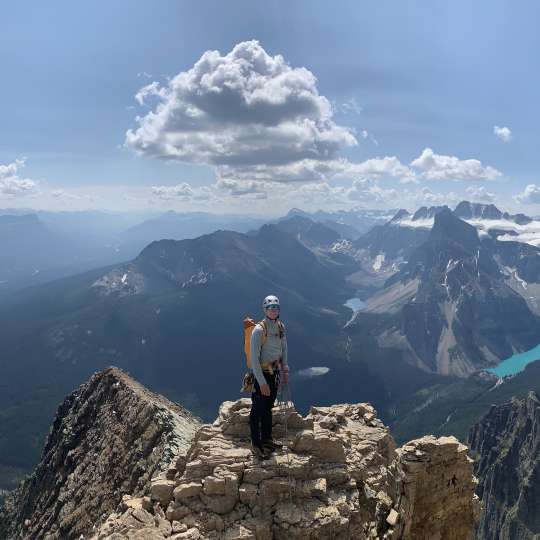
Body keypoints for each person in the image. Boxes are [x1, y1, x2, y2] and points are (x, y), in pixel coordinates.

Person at [249, 294, 289, 459]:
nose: (273, 310)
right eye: (270, 308)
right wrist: (262, 382)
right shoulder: (259, 330)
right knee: (257, 410)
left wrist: (284, 368)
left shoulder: (280, 327)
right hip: (262, 375)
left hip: (275, 373)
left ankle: (266, 439)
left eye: (276, 308)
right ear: (265, 310)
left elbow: (284, 347)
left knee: (268, 408)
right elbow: (254, 359)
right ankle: (255, 444)